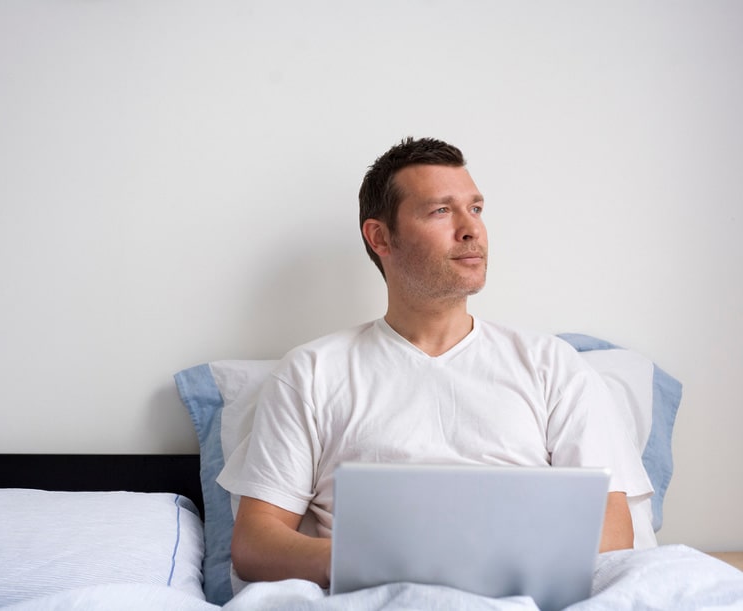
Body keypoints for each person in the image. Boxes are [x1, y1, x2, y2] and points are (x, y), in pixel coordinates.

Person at [224, 137, 653, 589]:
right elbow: (255, 544)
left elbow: (612, 533)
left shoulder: (552, 365)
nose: (471, 229)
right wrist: (379, 564)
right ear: (380, 237)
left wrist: (485, 569)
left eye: (476, 208)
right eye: (441, 211)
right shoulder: (311, 373)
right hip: (380, 596)